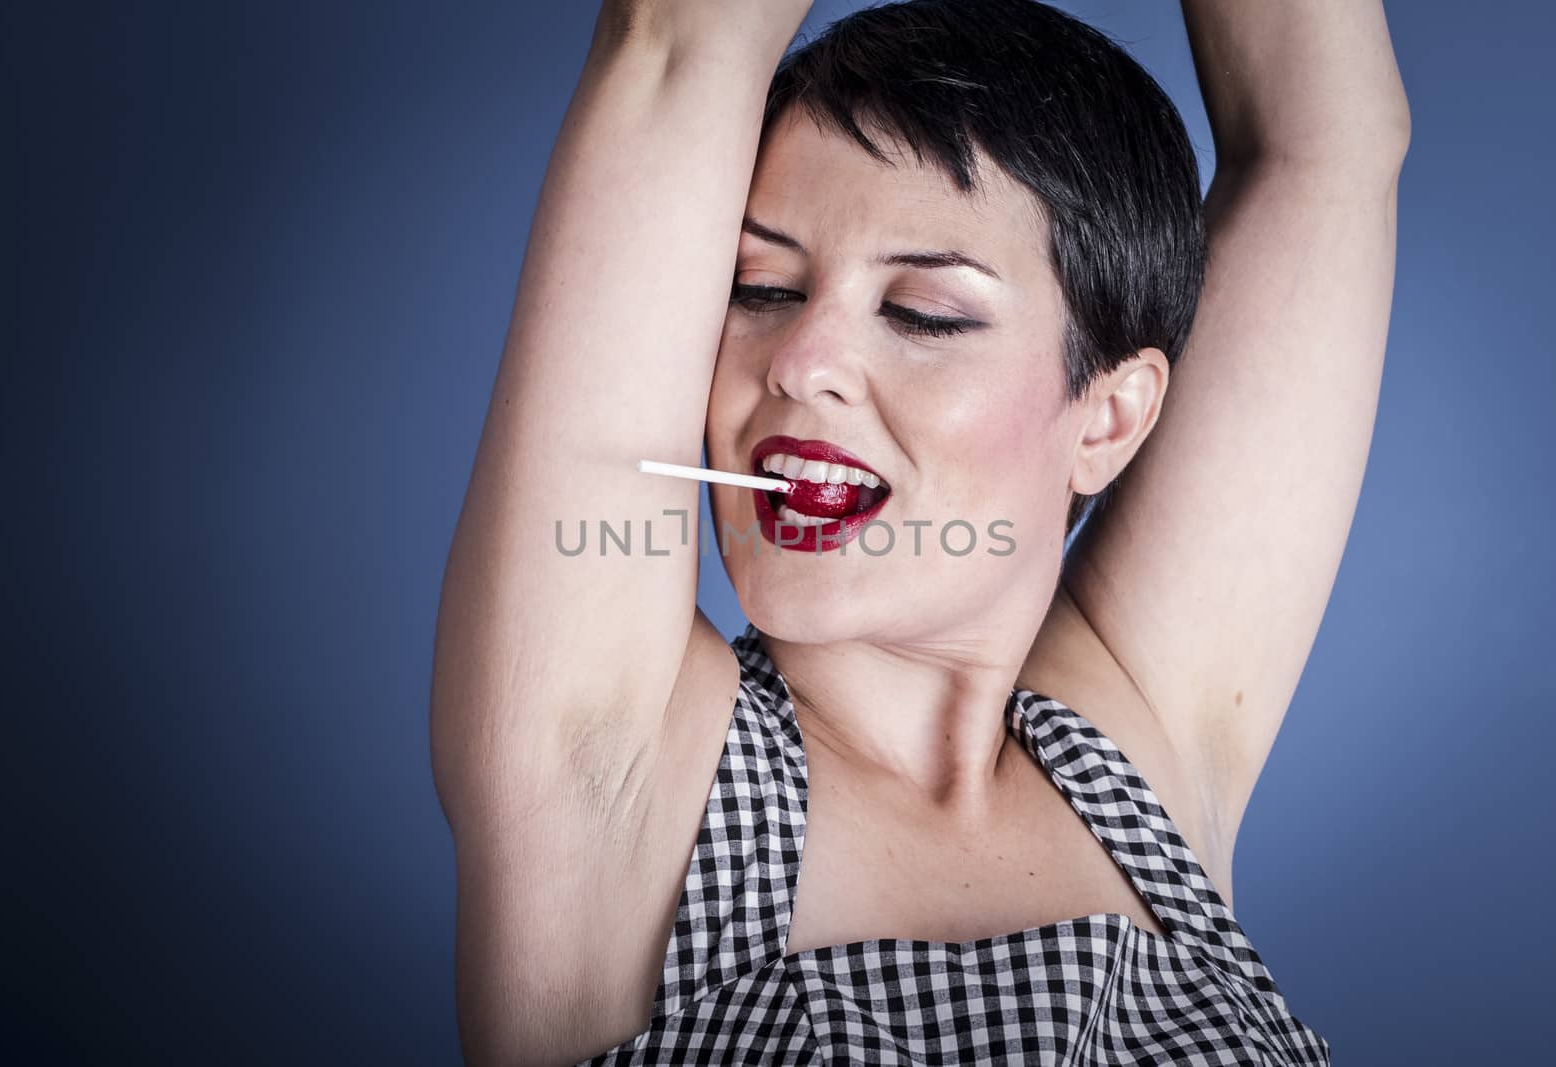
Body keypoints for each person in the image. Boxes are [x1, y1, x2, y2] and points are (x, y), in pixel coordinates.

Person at [428, 0, 1408, 1062]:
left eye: (923, 312)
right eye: (759, 287)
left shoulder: (1139, 751)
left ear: (1108, 417)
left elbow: (1326, 143)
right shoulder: (615, 776)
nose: (802, 360)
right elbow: (679, 37)